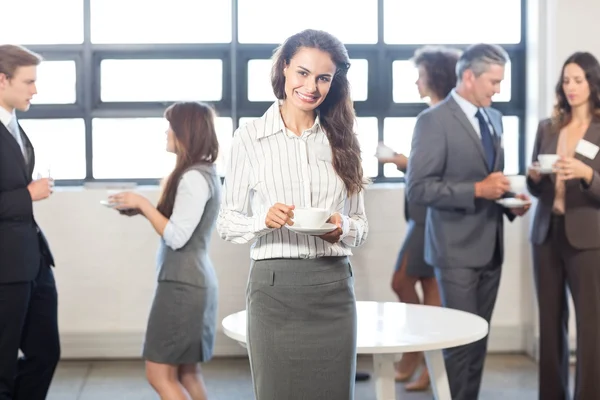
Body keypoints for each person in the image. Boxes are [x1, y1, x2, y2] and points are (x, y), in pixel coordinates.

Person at [217, 29, 368, 400]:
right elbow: (227, 222)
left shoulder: (344, 139)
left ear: (334, 82)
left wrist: (342, 228)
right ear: (284, 69)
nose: (311, 86)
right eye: (302, 72)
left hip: (334, 287)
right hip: (274, 290)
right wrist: (262, 221)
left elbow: (361, 226)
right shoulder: (249, 139)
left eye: (323, 78)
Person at [406, 43, 530, 400]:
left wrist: (509, 203)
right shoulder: (432, 121)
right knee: (460, 345)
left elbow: (491, 180)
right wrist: (478, 189)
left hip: (491, 247)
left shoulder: (495, 118)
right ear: (469, 77)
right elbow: (419, 189)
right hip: (454, 251)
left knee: (478, 340)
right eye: (494, 81)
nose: (499, 90)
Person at [109, 101, 220, 400]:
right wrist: (142, 210)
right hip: (193, 283)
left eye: (170, 125)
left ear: (186, 130)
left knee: (158, 374)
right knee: (187, 372)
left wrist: (144, 204)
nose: (166, 132)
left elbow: (176, 236)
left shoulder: (193, 178)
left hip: (182, 287)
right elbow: (181, 225)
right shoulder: (203, 172)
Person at [379, 46, 461, 391]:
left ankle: (419, 355)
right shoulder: (433, 114)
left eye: (421, 74)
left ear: (435, 77)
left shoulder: (444, 116)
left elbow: (438, 172)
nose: (416, 80)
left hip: (431, 218)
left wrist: (397, 160)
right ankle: (425, 360)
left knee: (402, 282)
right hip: (421, 216)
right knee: (428, 290)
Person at [527, 51, 600, 400]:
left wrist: (588, 174)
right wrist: (535, 176)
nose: (571, 87)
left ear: (592, 83)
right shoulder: (548, 126)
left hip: (588, 239)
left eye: (578, 80)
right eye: (566, 80)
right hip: (546, 233)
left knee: (592, 326)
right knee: (550, 323)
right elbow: (537, 187)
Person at [0, 45, 59, 400]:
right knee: (2, 365)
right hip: (5, 268)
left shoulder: (13, 124)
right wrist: (28, 195)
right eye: (29, 82)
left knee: (45, 353)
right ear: (2, 80)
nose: (34, 90)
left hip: (33, 261)